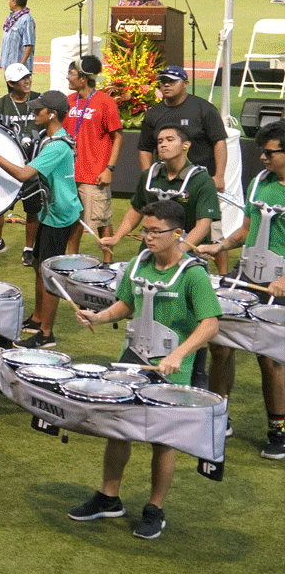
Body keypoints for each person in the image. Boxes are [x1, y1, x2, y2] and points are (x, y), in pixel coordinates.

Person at [68, 199, 219, 539]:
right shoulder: (139, 264)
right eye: (145, 231)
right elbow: (126, 305)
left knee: (162, 440)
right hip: (132, 358)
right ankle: (108, 497)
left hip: (172, 368)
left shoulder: (193, 274)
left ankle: (155, 508)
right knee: (117, 427)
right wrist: (98, 316)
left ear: (177, 233)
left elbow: (210, 325)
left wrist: (179, 354)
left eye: (155, 232)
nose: (148, 238)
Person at [196, 122, 285, 459]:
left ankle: (278, 431)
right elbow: (247, 229)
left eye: (269, 152)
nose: (262, 156)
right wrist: (219, 246)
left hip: (279, 281)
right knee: (220, 344)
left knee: (271, 359)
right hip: (247, 273)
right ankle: (220, 417)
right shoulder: (259, 182)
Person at [0, 91, 81, 350]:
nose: (34, 113)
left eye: (39, 110)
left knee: (49, 275)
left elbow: (25, 174)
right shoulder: (51, 138)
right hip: (51, 212)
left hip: (59, 217)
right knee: (38, 265)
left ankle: (46, 333)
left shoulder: (57, 145)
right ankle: (37, 319)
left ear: (52, 114)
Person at [138, 65, 230, 268]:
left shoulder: (203, 108)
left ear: (185, 84)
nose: (166, 84)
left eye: (172, 81)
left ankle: (222, 277)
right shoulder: (154, 113)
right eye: (162, 81)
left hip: (199, 182)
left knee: (211, 231)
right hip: (167, 181)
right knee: (165, 227)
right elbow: (145, 147)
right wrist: (148, 175)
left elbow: (219, 141)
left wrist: (220, 175)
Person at [103, 125, 219, 256]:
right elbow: (136, 210)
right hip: (151, 247)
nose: (163, 145)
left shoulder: (202, 180)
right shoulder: (149, 176)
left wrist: (177, 251)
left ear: (185, 145)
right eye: (160, 141)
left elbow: (203, 225)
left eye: (170, 140)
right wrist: (116, 237)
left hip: (187, 250)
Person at [0, 63, 42, 264]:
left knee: (33, 208)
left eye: (28, 77)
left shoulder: (39, 100)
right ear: (10, 83)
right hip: (7, 165)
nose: (27, 81)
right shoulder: (1, 105)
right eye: (22, 79)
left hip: (34, 164)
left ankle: (29, 248)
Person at [66, 57, 123, 258]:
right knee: (74, 220)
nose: (68, 77)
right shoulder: (68, 101)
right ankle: (71, 259)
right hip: (70, 174)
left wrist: (109, 169)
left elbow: (118, 137)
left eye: (71, 73)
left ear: (83, 78)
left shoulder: (105, 103)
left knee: (102, 220)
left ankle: (107, 263)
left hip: (95, 174)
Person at [0, 0, 35, 87]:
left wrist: (21, 65)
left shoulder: (26, 19)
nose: (8, 2)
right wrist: (2, 59)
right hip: (9, 65)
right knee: (11, 92)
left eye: (10, 0)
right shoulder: (12, 18)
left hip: (20, 67)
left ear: (15, 2)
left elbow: (29, 44)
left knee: (22, 93)